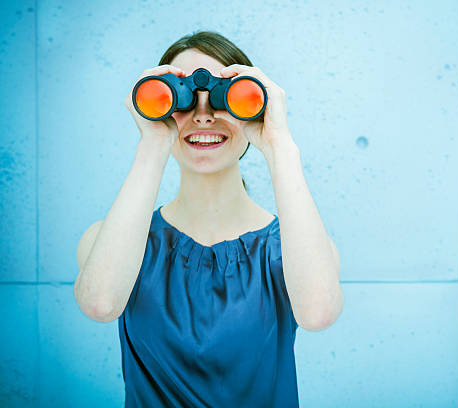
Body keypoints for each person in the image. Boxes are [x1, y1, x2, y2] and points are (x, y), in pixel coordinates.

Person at [73, 30, 343, 407]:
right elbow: (100, 303)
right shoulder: (112, 241)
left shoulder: (291, 250)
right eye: (182, 99)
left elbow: (318, 313)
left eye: (223, 97)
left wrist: (279, 144)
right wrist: (153, 144)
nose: (203, 117)